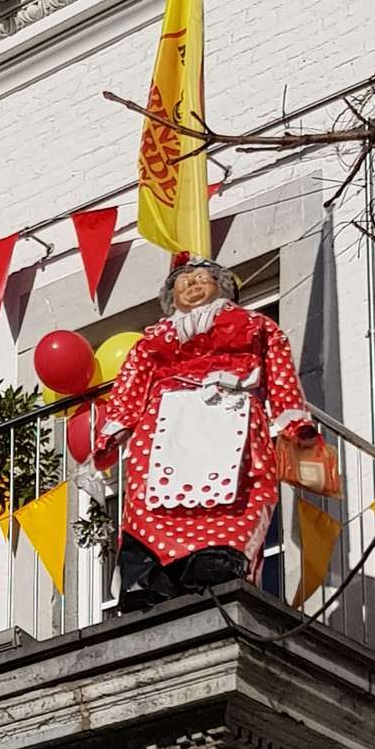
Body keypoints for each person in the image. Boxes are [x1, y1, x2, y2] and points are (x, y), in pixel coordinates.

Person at [100, 257, 324, 607]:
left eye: (201, 277)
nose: (192, 284)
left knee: (240, 493)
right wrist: (111, 433)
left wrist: (294, 422)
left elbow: (279, 372)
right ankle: (149, 571)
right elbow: (131, 385)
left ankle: (219, 557)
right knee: (147, 503)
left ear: (222, 286)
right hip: (165, 428)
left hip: (231, 414)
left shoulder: (255, 326)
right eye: (183, 280)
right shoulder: (152, 341)